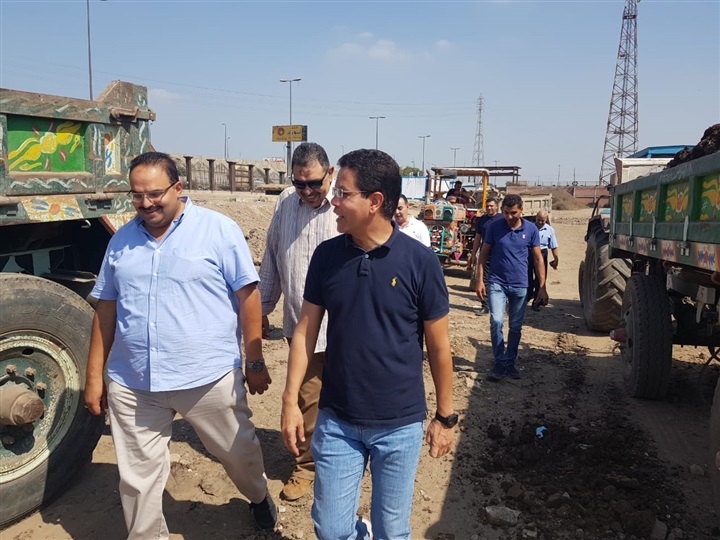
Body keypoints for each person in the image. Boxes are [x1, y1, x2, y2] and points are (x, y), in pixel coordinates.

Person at [85, 152, 277, 538]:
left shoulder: (218, 230)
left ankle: (258, 495)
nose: (146, 203)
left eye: (155, 193)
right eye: (137, 195)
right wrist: (94, 377)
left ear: (178, 187)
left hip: (207, 378)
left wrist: (254, 361)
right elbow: (106, 309)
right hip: (134, 382)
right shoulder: (121, 241)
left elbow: (248, 296)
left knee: (238, 455)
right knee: (137, 479)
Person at [281, 149, 456, 540]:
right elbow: (305, 332)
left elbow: (439, 348)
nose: (333, 201)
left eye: (343, 193)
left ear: (375, 201)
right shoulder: (328, 256)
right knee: (331, 529)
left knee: (392, 530)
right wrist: (290, 401)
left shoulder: (420, 263)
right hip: (337, 420)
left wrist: (445, 417)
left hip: (399, 425)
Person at [258, 142, 339, 501]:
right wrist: (262, 308)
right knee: (307, 400)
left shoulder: (344, 204)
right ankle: (306, 467)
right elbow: (272, 257)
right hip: (301, 326)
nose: (306, 191)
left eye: (314, 183)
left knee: (345, 399)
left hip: (344, 328)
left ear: (330, 174)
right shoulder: (285, 203)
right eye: (299, 183)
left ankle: (342, 462)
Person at [475, 194, 549, 382]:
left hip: (520, 285)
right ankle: (499, 362)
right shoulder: (494, 227)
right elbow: (483, 255)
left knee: (515, 326)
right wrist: (480, 280)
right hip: (497, 283)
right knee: (496, 321)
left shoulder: (531, 229)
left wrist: (542, 286)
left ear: (521, 211)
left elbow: (538, 259)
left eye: (513, 213)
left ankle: (510, 362)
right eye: (506, 212)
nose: (509, 217)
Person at [468, 197, 501, 314]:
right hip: (485, 254)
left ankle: (500, 304)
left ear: (496, 206)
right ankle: (485, 305)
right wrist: (474, 254)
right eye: (487, 206)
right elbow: (478, 238)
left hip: (500, 255)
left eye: (491, 206)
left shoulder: (502, 219)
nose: (489, 208)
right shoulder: (482, 220)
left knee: (499, 280)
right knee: (485, 279)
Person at [527, 209, 559, 307]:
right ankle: (527, 297)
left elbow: (553, 246)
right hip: (529, 253)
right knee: (527, 277)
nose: (540, 222)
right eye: (538, 220)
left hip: (542, 254)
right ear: (535, 218)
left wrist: (556, 259)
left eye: (543, 221)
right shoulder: (529, 228)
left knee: (540, 279)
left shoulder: (549, 230)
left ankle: (537, 302)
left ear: (546, 219)